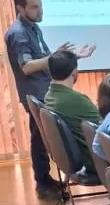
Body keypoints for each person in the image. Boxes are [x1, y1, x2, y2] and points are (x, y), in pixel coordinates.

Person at [3, 0, 95, 198]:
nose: (40, 11)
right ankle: (42, 183)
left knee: (42, 138)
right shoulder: (18, 34)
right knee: (39, 138)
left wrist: (64, 55)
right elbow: (26, 66)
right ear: (20, 7)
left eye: (41, 5)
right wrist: (57, 57)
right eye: (34, 7)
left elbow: (45, 59)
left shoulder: (34, 28)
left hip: (43, 90)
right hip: (35, 92)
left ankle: (45, 180)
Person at [42, 50, 102, 178]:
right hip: (96, 161)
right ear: (75, 72)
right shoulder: (77, 100)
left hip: (80, 157)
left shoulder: (49, 95)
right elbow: (103, 125)